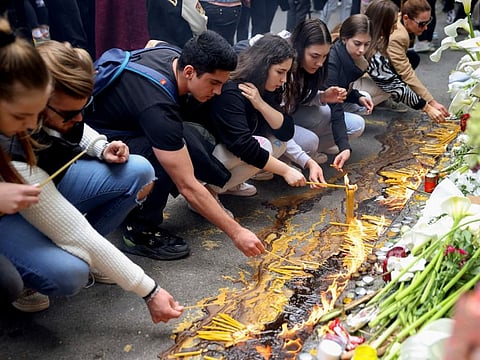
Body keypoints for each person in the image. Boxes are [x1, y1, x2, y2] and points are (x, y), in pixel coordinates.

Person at [0, 17, 183, 322]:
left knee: (137, 169)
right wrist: (149, 290)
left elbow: (73, 129)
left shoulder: (35, 109)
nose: (31, 126)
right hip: (16, 205)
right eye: (25, 116)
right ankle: (31, 272)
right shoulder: (15, 145)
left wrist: (99, 145)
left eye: (84, 107)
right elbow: (74, 229)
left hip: (39, 187)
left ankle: (88, 255)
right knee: (68, 272)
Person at [85, 30, 266, 259]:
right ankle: (139, 232)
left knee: (181, 140)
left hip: (124, 125)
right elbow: (187, 187)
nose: (218, 91)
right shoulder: (158, 107)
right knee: (161, 154)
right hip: (96, 146)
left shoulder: (171, 54)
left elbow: (153, 41)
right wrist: (236, 232)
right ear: (189, 71)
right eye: (214, 82)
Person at [189, 34, 326, 195]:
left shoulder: (265, 89)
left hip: (226, 150)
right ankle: (206, 192)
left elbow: (286, 131)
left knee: (278, 142)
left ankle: (229, 183)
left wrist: (308, 162)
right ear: (263, 65)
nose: (284, 80)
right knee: (263, 145)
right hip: (203, 153)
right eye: (280, 72)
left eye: (287, 73)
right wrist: (285, 170)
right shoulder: (231, 91)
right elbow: (242, 145)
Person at [353, 0, 446, 123]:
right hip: (343, 90)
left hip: (342, 85)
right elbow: (394, 83)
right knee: (390, 86)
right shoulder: (369, 48)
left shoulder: (360, 32)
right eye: (392, 24)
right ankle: (351, 108)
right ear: (382, 25)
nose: (395, 27)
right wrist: (427, 106)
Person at [284, 18, 355, 172]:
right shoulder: (283, 66)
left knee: (328, 115)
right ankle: (275, 162)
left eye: (324, 56)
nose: (320, 63)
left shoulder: (318, 66)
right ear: (299, 48)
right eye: (314, 56)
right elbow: (273, 124)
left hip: (287, 114)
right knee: (309, 141)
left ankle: (297, 154)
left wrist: (322, 97)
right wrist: (292, 167)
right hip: (265, 125)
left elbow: (334, 107)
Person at [387, 0, 449, 122]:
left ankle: (390, 94)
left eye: (428, 22)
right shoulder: (398, 36)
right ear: (406, 18)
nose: (426, 28)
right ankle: (383, 96)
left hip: (382, 64)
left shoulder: (402, 21)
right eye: (422, 24)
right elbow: (406, 73)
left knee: (413, 57)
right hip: (366, 77)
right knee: (396, 77)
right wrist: (431, 103)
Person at [326, 14, 373, 151]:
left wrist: (358, 97)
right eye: (357, 44)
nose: (362, 50)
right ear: (344, 39)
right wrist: (344, 146)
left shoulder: (351, 56)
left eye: (367, 44)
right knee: (357, 124)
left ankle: (326, 140)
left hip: (331, 101)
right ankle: (319, 145)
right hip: (320, 105)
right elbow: (335, 105)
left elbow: (346, 88)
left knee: (365, 99)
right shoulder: (332, 61)